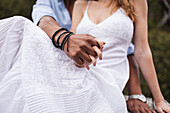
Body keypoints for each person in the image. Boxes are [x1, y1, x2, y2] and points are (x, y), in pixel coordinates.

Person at [0, 0, 169, 113]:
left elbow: (140, 50)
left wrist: (158, 99)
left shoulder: (136, 2)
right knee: (21, 27)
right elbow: (71, 48)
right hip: (80, 72)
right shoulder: (81, 3)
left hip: (108, 79)